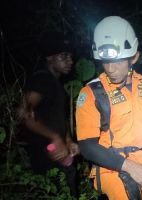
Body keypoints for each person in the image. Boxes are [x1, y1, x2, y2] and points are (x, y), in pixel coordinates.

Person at [75, 16, 142, 200]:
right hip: (111, 168)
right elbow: (87, 146)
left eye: (118, 61)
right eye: (105, 62)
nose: (111, 68)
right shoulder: (91, 93)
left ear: (133, 57)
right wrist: (129, 167)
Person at [17, 31, 79, 196]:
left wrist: (67, 139)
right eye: (64, 56)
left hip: (57, 154)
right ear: (50, 57)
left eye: (71, 56)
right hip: (45, 154)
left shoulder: (55, 83)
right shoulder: (42, 80)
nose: (70, 61)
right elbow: (23, 113)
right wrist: (54, 137)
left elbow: (59, 116)